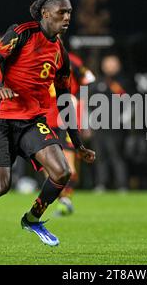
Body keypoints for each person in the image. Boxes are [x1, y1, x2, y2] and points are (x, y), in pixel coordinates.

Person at [0, 0, 96, 247]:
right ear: (46, 13)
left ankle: (32, 219)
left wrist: (78, 143)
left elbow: (64, 101)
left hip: (31, 121)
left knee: (62, 173)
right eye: (62, 12)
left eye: (70, 12)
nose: (67, 17)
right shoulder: (22, 32)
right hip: (0, 119)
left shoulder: (61, 53)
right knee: (0, 187)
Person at [45, 50, 95, 215]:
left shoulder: (71, 60)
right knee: (48, 165)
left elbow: (89, 79)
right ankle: (63, 199)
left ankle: (66, 200)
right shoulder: (36, 58)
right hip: (44, 117)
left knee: (69, 164)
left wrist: (78, 100)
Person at [89, 53, 131, 192]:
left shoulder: (124, 82)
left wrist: (124, 120)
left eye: (113, 64)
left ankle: (122, 185)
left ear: (118, 65)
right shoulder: (97, 83)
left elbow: (132, 103)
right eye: (108, 64)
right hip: (98, 125)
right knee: (99, 156)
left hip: (116, 126)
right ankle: (101, 184)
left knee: (116, 155)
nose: (110, 67)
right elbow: (88, 104)